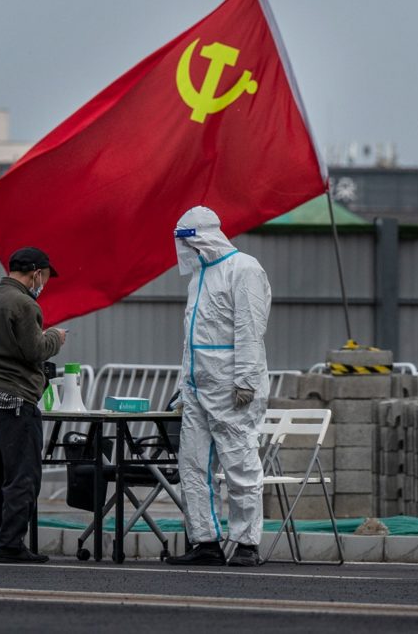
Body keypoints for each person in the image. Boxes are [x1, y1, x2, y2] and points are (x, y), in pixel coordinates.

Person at [165, 206, 271, 568]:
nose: (184, 251)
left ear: (205, 237)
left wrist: (245, 380)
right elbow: (192, 339)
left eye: (187, 242)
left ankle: (246, 543)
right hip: (197, 387)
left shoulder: (244, 269)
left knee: (239, 463)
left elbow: (250, 329)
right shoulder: (200, 277)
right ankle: (205, 541)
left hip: (230, 388)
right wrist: (183, 386)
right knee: (193, 466)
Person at [0, 246, 66, 563]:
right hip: (15, 398)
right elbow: (35, 349)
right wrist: (54, 338)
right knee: (23, 474)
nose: (45, 282)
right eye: (46, 276)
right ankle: (11, 543)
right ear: (37, 272)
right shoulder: (23, 304)